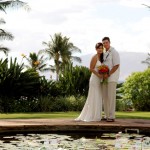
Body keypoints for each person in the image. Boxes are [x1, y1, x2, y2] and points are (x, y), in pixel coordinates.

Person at [75, 42, 104, 122]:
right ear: (96, 49)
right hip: (94, 79)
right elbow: (91, 68)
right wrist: (98, 75)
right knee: (93, 96)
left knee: (98, 96)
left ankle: (97, 115)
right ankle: (91, 115)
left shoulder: (102, 57)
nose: (100, 49)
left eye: (101, 48)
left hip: (100, 79)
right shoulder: (94, 57)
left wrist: (103, 73)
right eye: (99, 48)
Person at [102, 37, 120, 122]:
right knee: (105, 97)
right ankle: (106, 115)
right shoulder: (105, 53)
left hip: (112, 78)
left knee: (111, 97)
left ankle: (111, 116)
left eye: (106, 42)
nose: (105, 44)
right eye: (104, 43)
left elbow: (116, 65)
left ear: (109, 42)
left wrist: (108, 74)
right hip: (104, 78)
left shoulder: (114, 52)